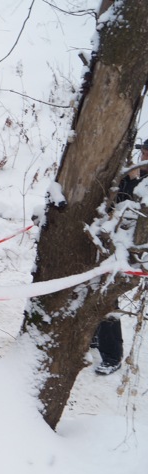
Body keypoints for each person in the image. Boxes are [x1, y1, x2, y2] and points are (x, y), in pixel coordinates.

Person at [90, 140, 148, 374]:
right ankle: (92, 336)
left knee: (107, 298)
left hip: (130, 250)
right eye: (143, 150)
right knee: (93, 290)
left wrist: (134, 180)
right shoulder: (129, 173)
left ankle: (112, 355)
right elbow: (113, 200)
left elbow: (133, 208)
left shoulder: (142, 183)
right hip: (108, 242)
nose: (144, 155)